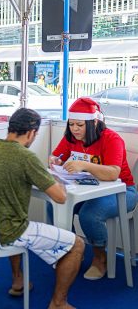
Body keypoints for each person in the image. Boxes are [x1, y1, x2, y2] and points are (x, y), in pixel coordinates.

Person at [0, 108, 84, 309]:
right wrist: (53, 178)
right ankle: (58, 303)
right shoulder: (26, 157)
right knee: (77, 245)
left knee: (16, 215)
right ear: (32, 133)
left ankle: (18, 280)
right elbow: (60, 197)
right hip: (8, 230)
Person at [49, 97, 137, 280]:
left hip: (123, 192)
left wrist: (84, 165)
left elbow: (113, 173)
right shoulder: (71, 137)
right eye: (71, 124)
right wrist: (54, 160)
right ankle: (72, 251)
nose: (75, 129)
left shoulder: (112, 139)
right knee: (54, 204)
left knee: (90, 215)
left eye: (80, 125)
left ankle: (100, 258)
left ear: (94, 122)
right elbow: (56, 156)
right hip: (86, 191)